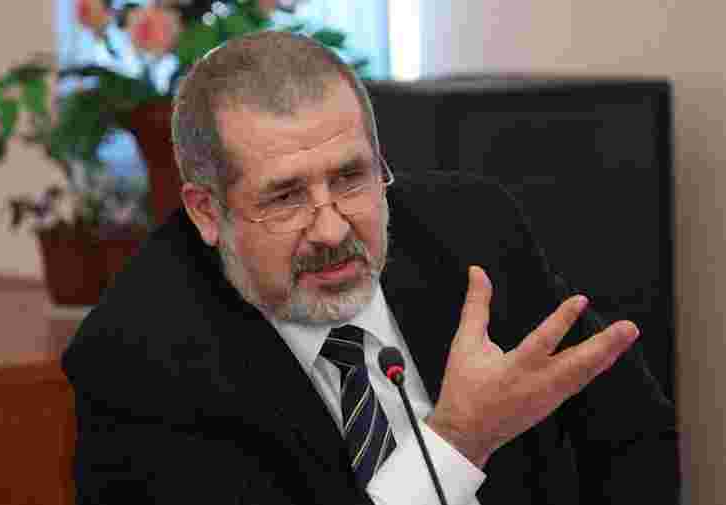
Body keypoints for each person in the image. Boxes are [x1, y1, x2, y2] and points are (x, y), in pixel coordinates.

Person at [62, 31, 679, 505]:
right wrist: (458, 441)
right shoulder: (138, 362)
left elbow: (632, 432)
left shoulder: (473, 230)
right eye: (286, 197)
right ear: (207, 211)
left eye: (350, 178)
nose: (332, 229)